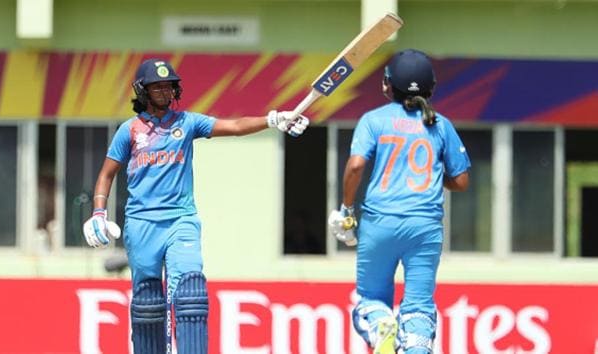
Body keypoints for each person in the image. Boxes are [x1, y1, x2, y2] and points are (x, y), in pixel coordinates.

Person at [82, 58, 309, 354]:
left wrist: (274, 120)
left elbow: (236, 126)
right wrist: (99, 212)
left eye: (168, 86)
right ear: (142, 91)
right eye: (157, 86)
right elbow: (106, 174)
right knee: (148, 303)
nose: (164, 91)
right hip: (141, 224)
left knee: (191, 291)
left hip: (181, 219)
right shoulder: (130, 130)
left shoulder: (187, 123)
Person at [328, 49, 470, 354]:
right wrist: (433, 175)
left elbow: (355, 166)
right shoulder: (441, 124)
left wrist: (347, 209)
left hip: (380, 223)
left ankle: (381, 323)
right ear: (431, 88)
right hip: (425, 228)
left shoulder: (374, 120)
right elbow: (461, 181)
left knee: (371, 301)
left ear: (387, 86)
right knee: (419, 308)